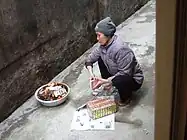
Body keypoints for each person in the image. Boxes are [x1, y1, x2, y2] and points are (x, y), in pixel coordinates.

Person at [85, 17, 144, 106]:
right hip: (116, 73)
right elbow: (89, 60)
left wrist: (106, 81)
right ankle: (110, 85)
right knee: (100, 58)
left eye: (99, 35)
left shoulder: (121, 49)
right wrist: (92, 75)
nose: (97, 38)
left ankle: (126, 97)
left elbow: (125, 73)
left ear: (108, 35)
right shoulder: (102, 46)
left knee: (122, 79)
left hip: (132, 80)